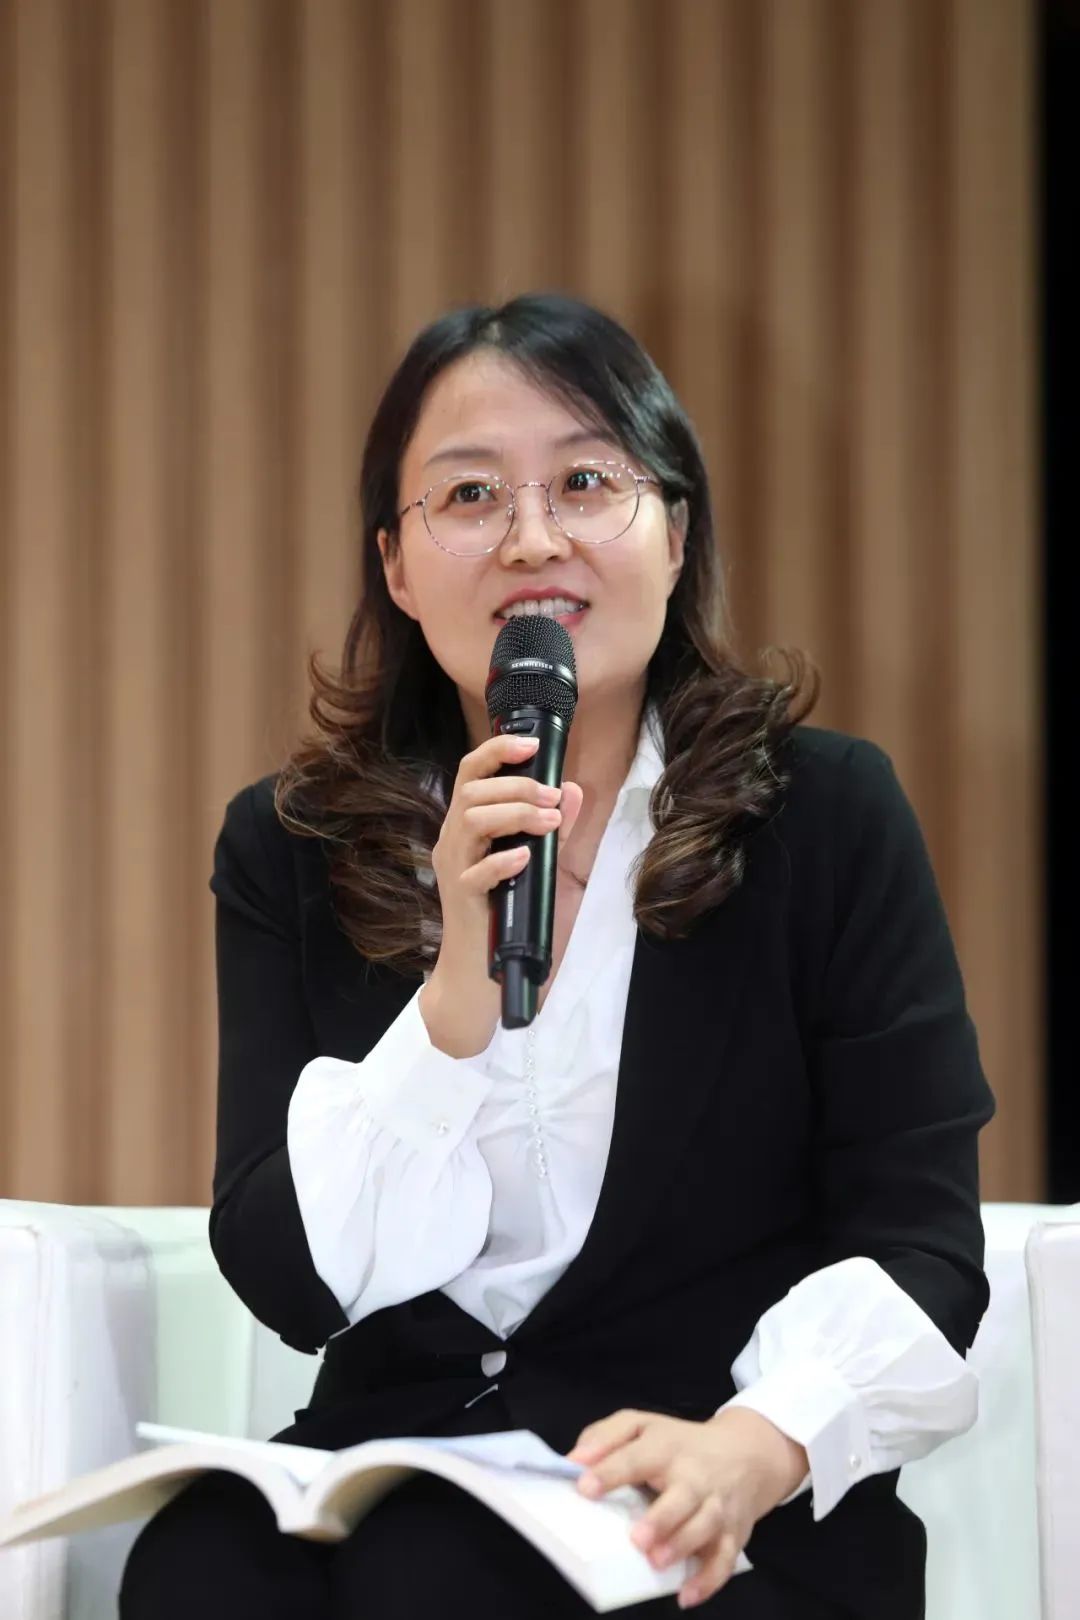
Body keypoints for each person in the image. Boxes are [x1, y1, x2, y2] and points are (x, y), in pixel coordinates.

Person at [120, 292, 995, 1619]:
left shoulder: (824, 818)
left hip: (710, 1485)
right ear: (397, 569)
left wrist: (759, 1443)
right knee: (196, 1567)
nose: (532, 538)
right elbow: (288, 1281)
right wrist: (453, 999)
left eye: (586, 482)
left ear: (674, 533)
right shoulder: (293, 845)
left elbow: (920, 1238)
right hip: (404, 1461)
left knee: (439, 1578)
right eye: (471, 496)